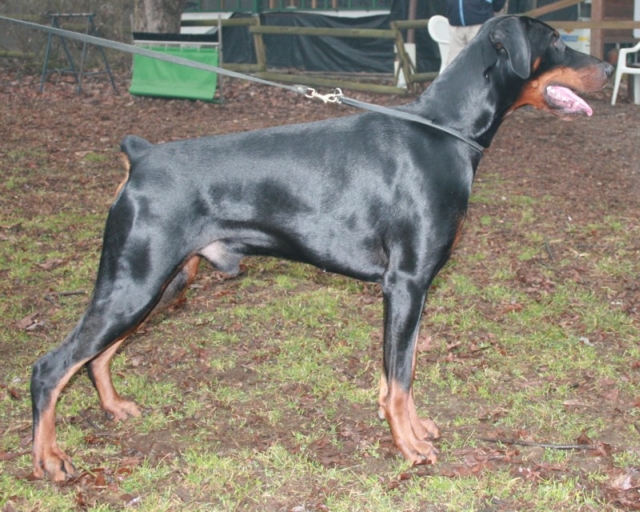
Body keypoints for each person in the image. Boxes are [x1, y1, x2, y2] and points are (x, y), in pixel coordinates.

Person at [445, 0, 506, 66]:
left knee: (480, 61)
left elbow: (498, 5)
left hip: (479, 25)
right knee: (454, 63)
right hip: (456, 26)